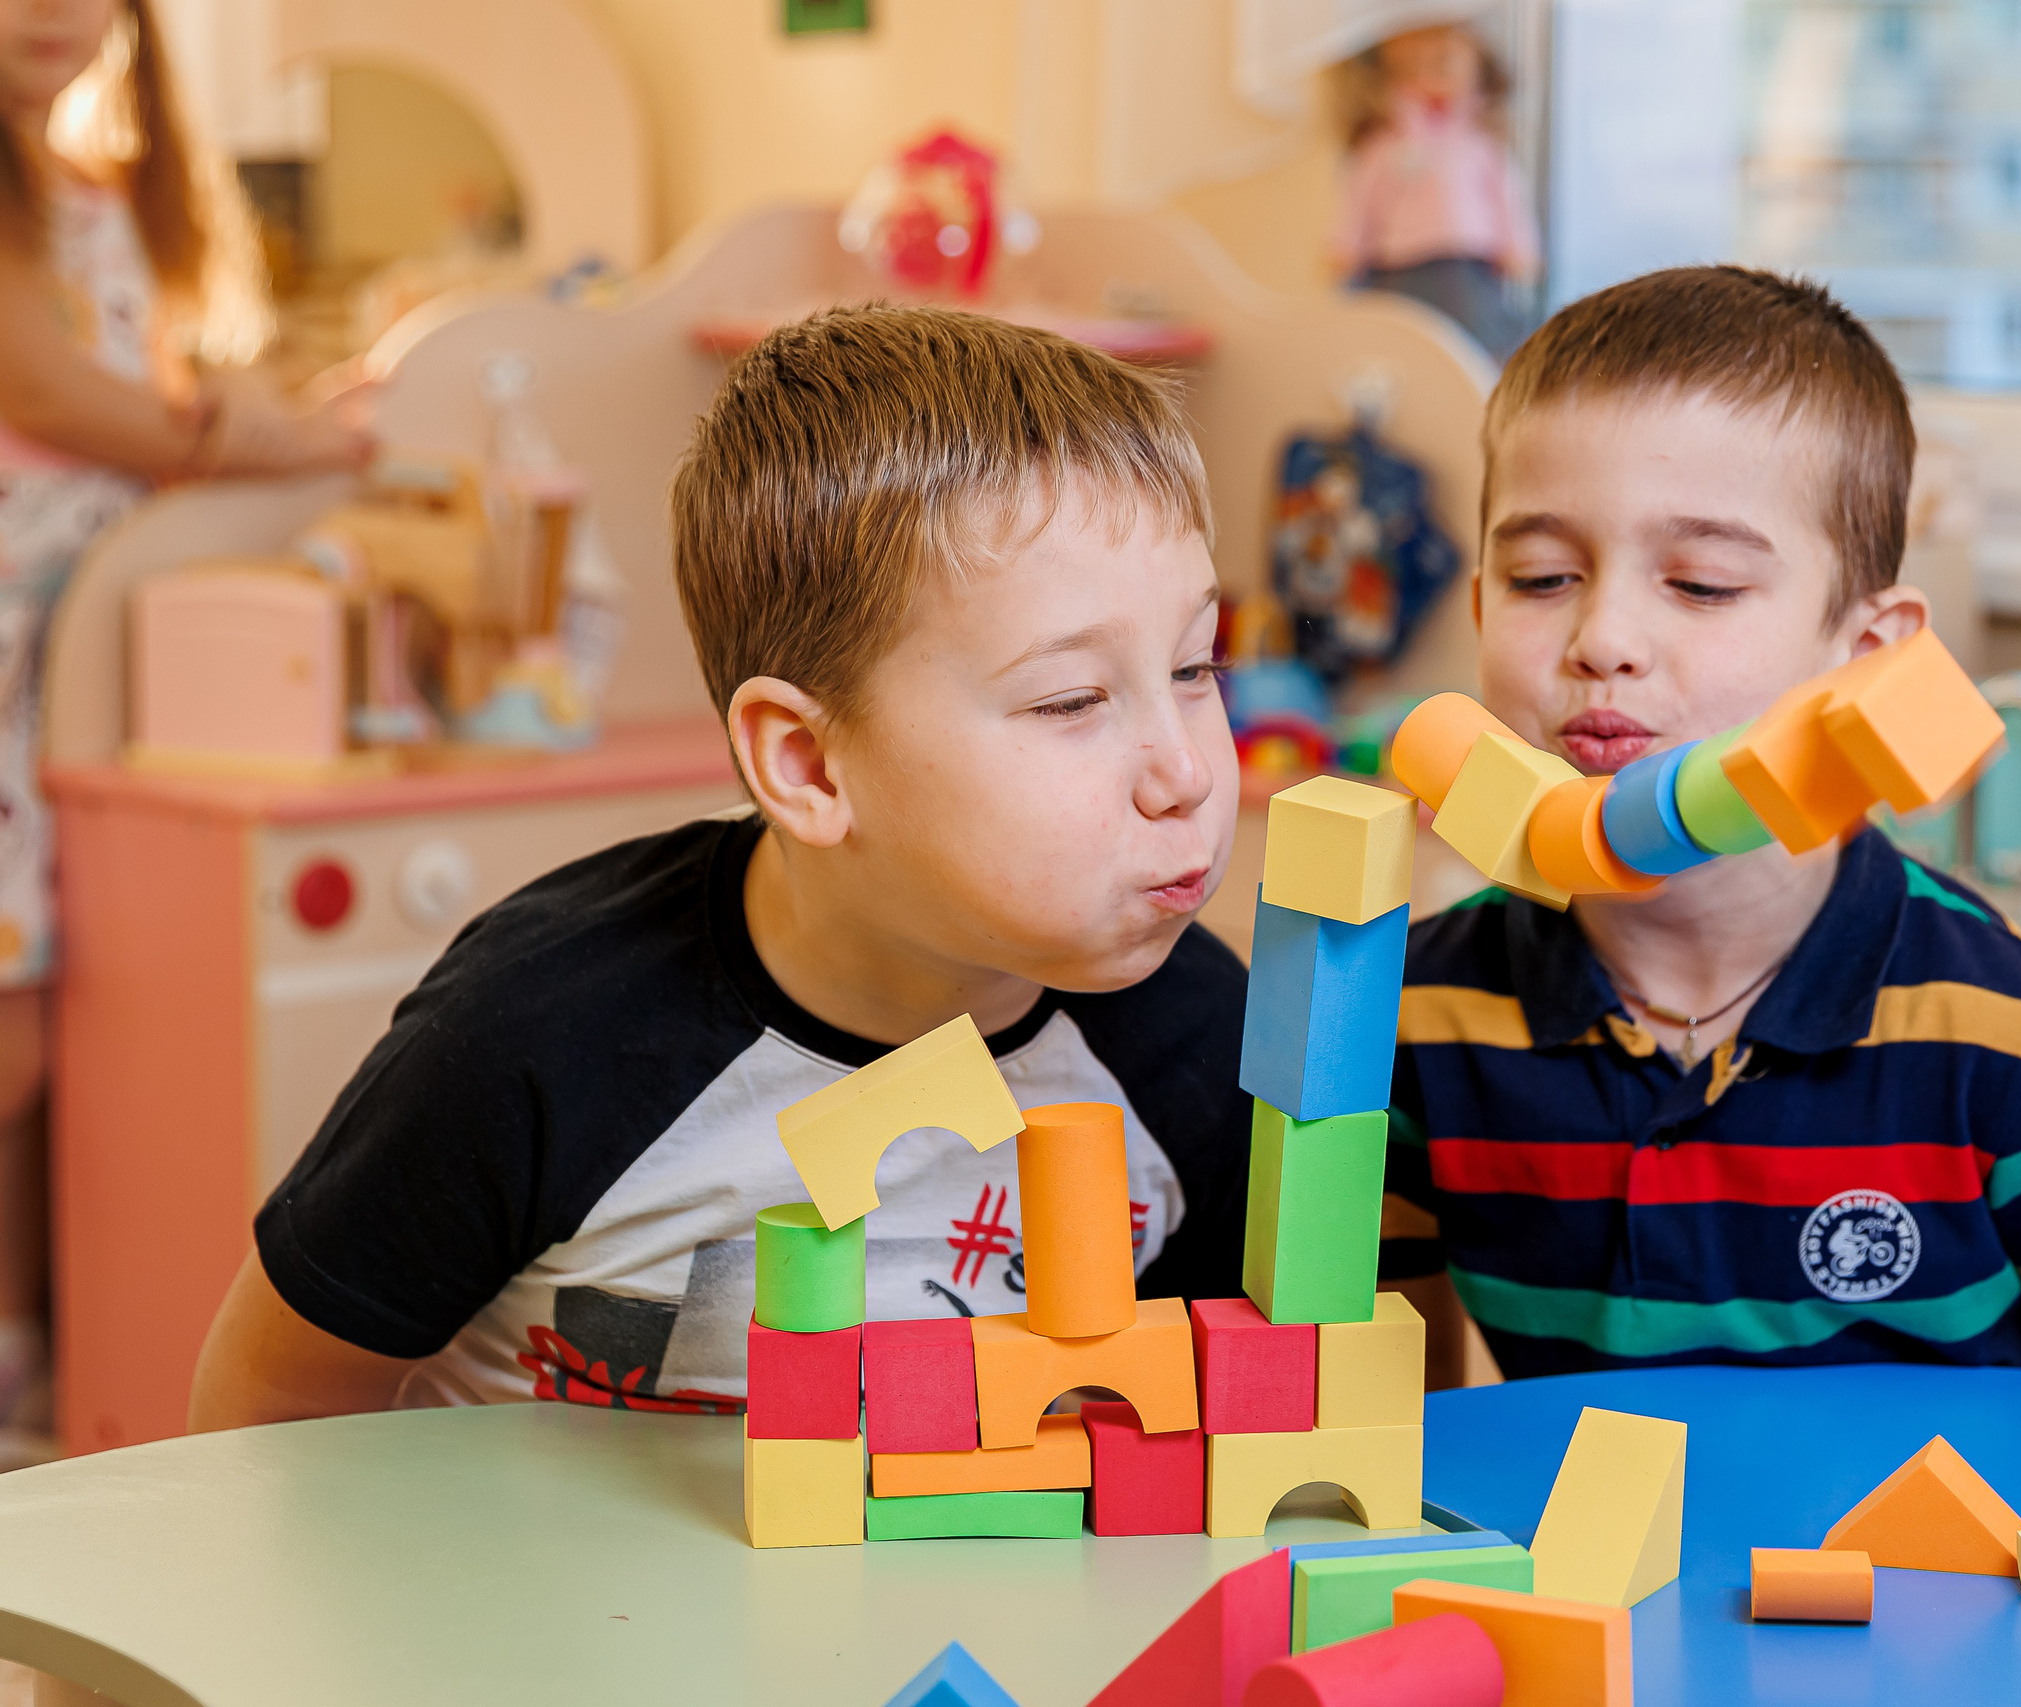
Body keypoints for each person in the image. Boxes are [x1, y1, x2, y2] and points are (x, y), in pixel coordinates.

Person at [187, 306, 1249, 1425]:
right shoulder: (536, 1034)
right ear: (808, 766)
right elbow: (271, 1401)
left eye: (1193, 666)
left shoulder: (1202, 1038)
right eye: (1071, 699)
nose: (1184, 772)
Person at [1382, 267, 2021, 1389]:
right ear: (1478, 609)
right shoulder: (1415, 1018)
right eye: (1542, 575)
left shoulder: (2003, 1026)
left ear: (1869, 656)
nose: (1602, 637)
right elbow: (1398, 1419)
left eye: (1700, 585)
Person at [0, 0, 367, 1441]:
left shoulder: (93, 198)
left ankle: (29, 1343)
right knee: (22, 1037)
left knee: (60, 1024)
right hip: (27, 629)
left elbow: (127, 389)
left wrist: (228, 421)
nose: (60, 13)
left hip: (69, 647)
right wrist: (243, 440)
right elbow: (48, 391)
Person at [1329, 22, 1540, 363]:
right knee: (1400, 348)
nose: (1427, 77)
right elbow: (1361, 202)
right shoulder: (1383, 148)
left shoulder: (1481, 148)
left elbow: (1509, 201)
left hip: (1469, 270)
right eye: (1410, 68)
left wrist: (1520, 250)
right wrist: (1346, 248)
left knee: (1472, 351)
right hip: (1397, 269)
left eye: (1441, 62)